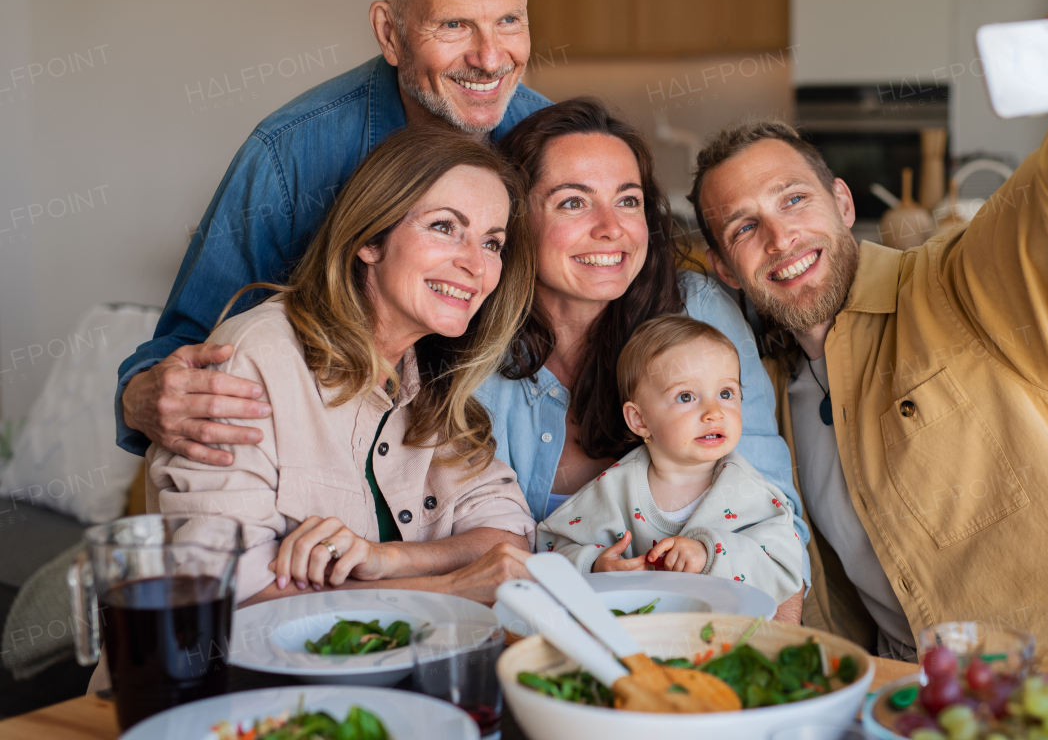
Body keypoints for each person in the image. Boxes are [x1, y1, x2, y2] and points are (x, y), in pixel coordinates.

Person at [689, 0, 1048, 678]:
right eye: (744, 227)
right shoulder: (759, 402)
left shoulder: (954, 289)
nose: (780, 237)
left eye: (794, 199)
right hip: (918, 696)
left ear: (841, 202)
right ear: (725, 269)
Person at [117, 0, 551, 466]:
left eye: (509, 21)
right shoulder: (287, 155)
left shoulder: (552, 145)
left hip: (488, 477)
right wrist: (139, 395)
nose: (490, 58)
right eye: (454, 25)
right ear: (389, 33)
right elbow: (186, 354)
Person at [148, 123, 537, 605]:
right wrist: (448, 588)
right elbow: (220, 592)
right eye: (443, 227)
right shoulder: (254, 357)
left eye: (492, 243)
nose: (475, 265)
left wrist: (387, 560)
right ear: (369, 239)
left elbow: (509, 535)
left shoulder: (430, 373)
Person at [477, 98, 810, 617]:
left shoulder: (696, 310)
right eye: (573, 202)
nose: (612, 228)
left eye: (628, 201)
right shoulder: (472, 337)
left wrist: (763, 680)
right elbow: (486, 556)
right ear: (514, 216)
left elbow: (777, 530)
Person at [538, 315, 805, 614]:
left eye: (726, 393)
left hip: (727, 646)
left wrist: (709, 555)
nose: (714, 412)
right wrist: (595, 566)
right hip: (638, 648)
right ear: (640, 420)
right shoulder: (615, 489)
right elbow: (550, 551)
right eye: (686, 396)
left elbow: (785, 568)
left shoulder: (751, 493)